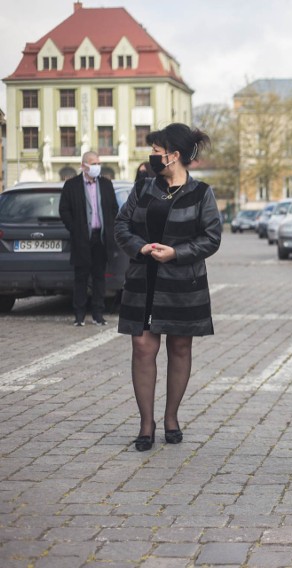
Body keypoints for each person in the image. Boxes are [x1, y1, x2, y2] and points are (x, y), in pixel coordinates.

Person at [114, 123, 221, 452]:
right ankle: (146, 424)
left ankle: (171, 417)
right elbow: (122, 225)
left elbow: (211, 238)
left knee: (180, 349)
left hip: (182, 284)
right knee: (143, 349)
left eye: (157, 152)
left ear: (173, 156)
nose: (153, 157)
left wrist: (177, 253)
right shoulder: (144, 186)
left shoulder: (202, 193)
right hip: (143, 281)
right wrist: (140, 247)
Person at [59, 151, 118, 326]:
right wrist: (74, 228)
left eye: (99, 163)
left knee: (99, 277)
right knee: (81, 278)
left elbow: (114, 208)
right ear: (84, 165)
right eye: (94, 163)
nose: (97, 166)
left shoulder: (106, 184)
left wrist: (110, 227)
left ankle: (98, 314)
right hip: (82, 239)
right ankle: (79, 315)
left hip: (101, 238)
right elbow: (64, 210)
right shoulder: (72, 185)